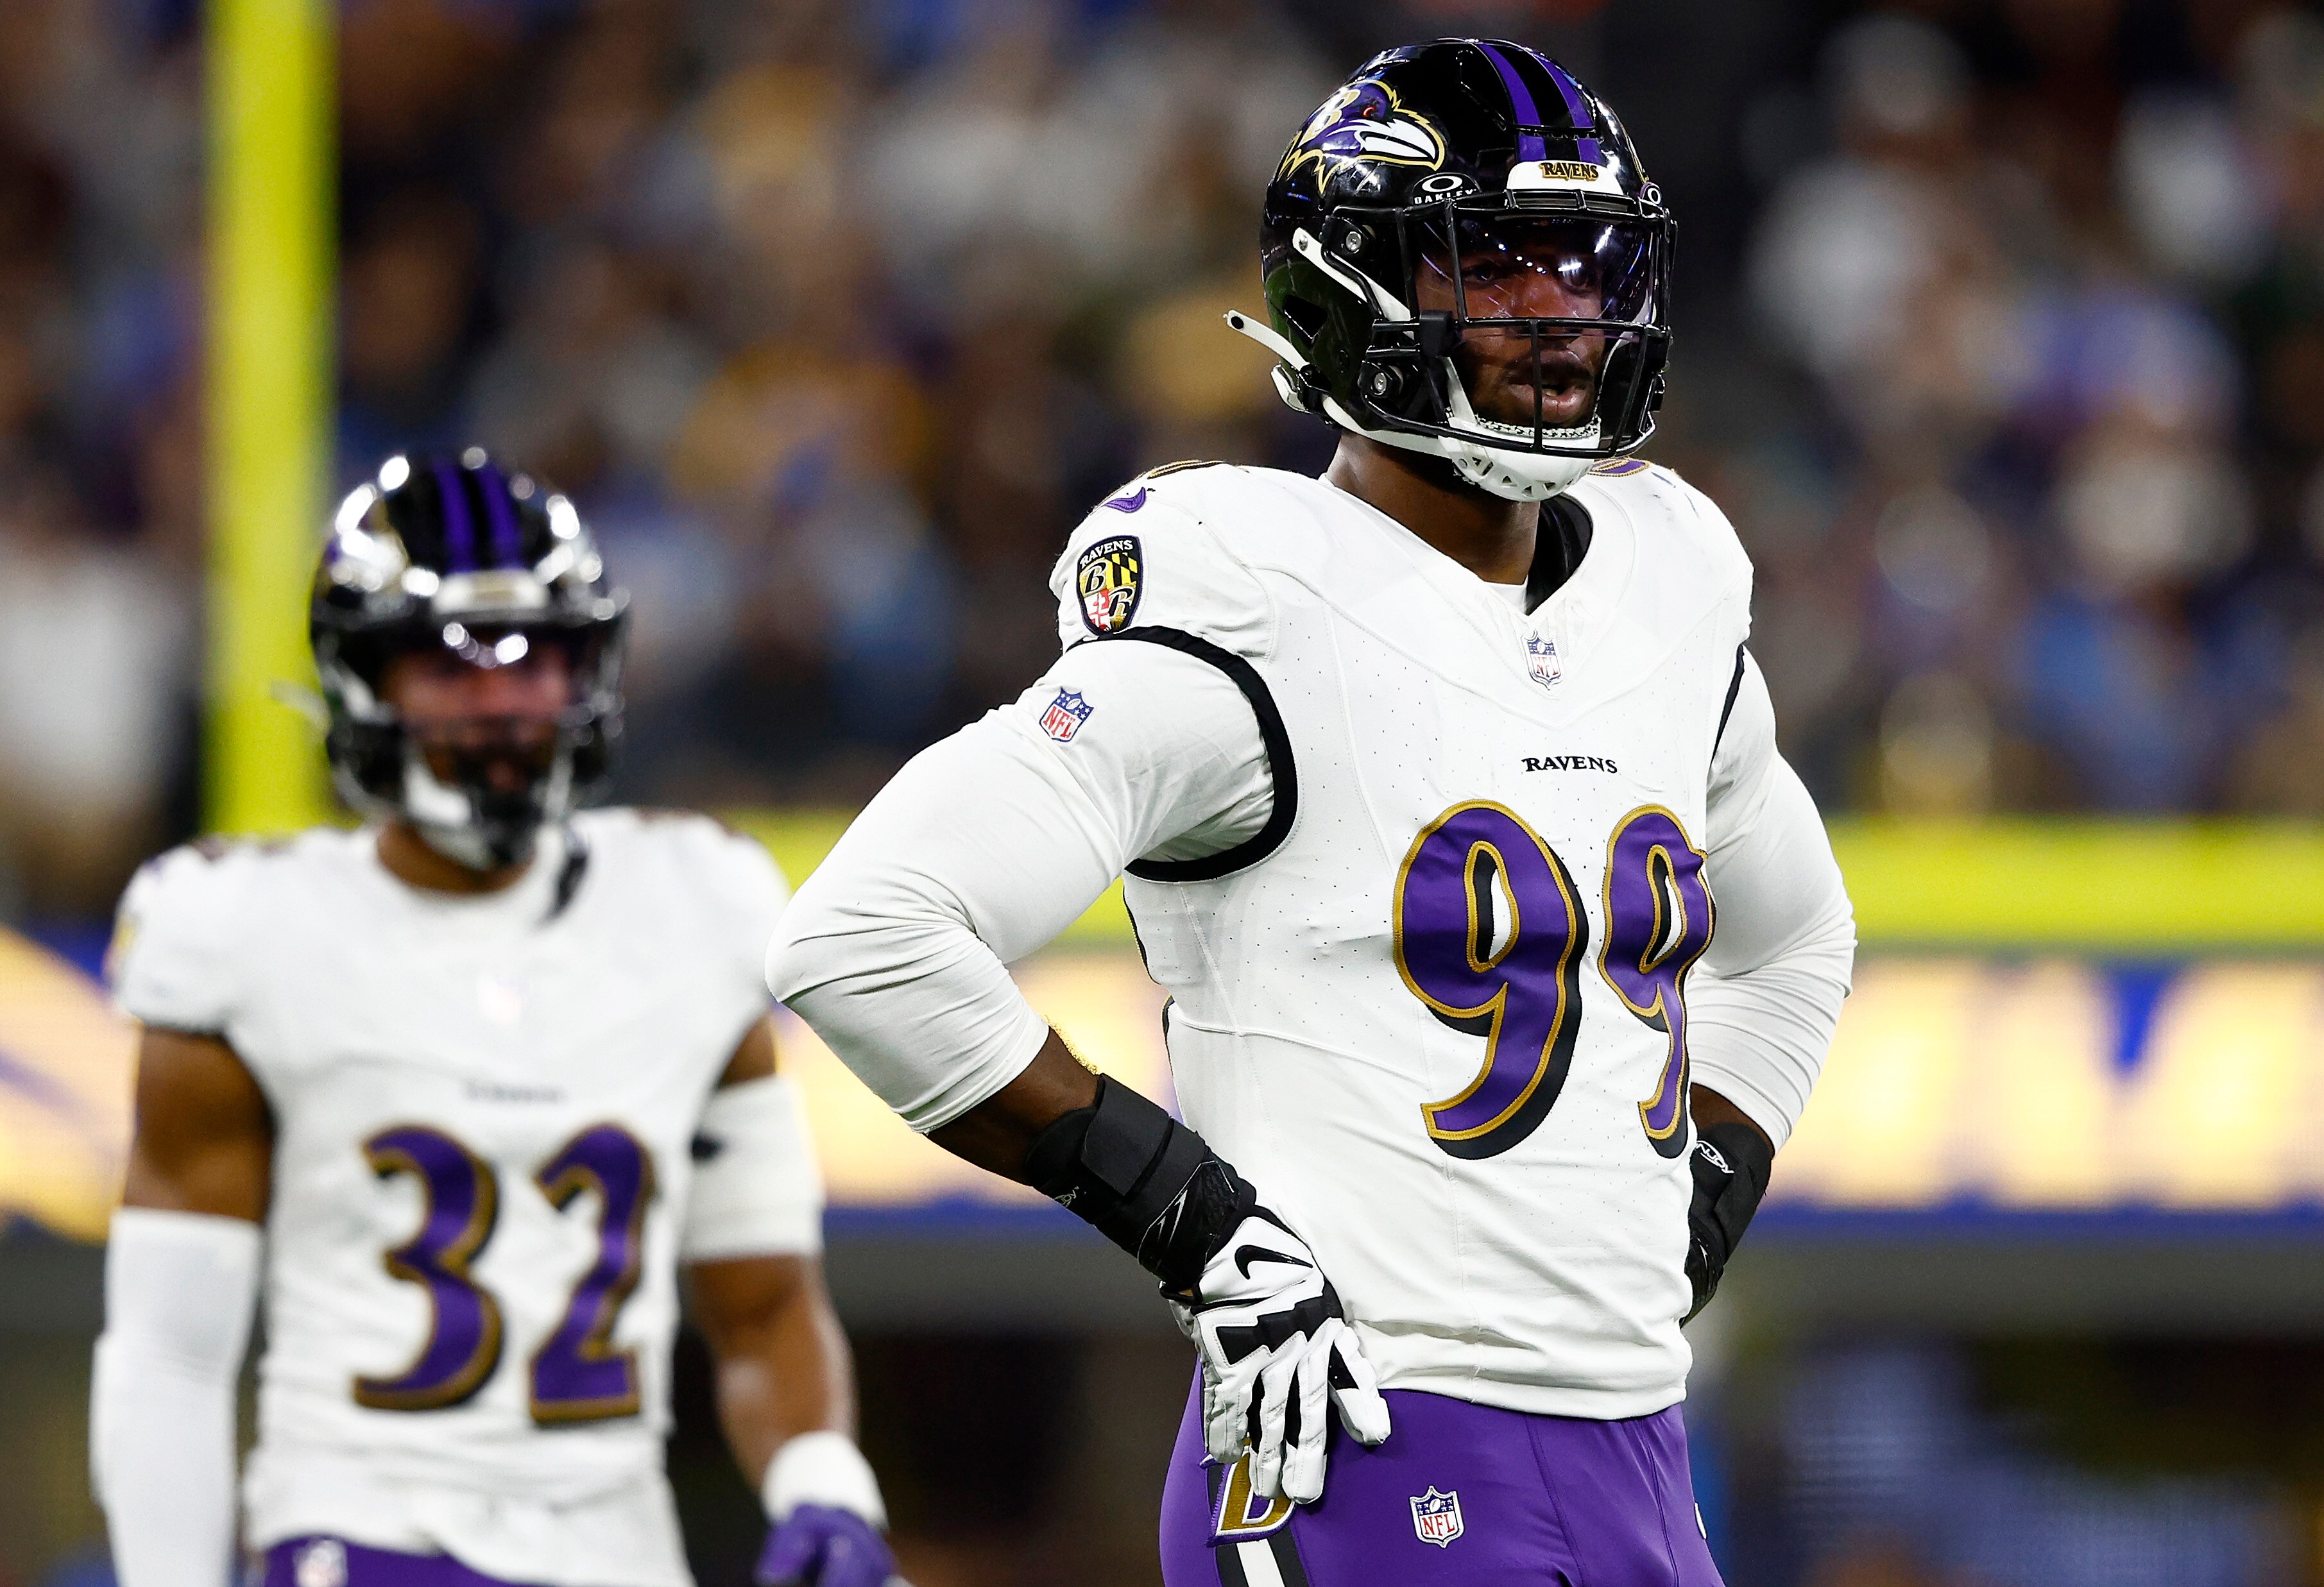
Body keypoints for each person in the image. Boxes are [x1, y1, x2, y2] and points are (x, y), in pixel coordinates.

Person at [767, 39, 1854, 1587]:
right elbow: (862, 935)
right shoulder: (1254, 592)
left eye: (1583, 263)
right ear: (1352, 287)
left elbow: (1795, 936)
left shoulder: (1666, 574)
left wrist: (1714, 1186)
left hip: (1634, 1440)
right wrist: (1193, 1226)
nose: (1560, 312)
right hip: (1357, 1434)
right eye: (1498, 264)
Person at [93, 451, 900, 1587]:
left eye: (537, 657)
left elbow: (764, 1303)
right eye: (449, 665)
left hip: (620, 1545)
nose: (502, 703)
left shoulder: (694, 904)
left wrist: (824, 1483)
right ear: (362, 676)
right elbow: (172, 1354)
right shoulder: (244, 931)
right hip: (361, 1531)